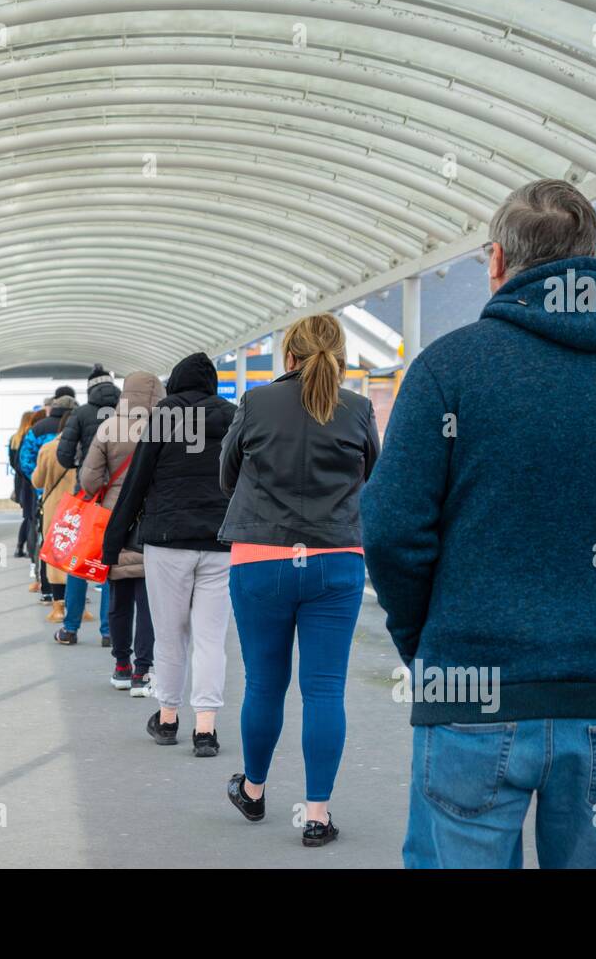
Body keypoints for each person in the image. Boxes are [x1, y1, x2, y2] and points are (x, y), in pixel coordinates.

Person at [361, 179, 596, 868]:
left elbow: (390, 528)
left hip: (470, 693)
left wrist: (429, 639)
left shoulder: (449, 369)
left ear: (498, 261)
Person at [218, 313, 379, 848]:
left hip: (261, 558)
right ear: (340, 355)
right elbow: (372, 477)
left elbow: (227, 473)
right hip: (336, 559)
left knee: (264, 682)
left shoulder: (256, 402)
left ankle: (256, 791)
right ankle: (316, 814)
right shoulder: (357, 409)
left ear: (288, 355)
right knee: (325, 689)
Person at [103, 353, 236, 757]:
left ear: (175, 384)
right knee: (211, 639)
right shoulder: (233, 416)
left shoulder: (163, 417)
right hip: (220, 543)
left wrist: (112, 544)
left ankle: (167, 718)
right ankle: (206, 730)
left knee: (170, 634)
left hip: (167, 541)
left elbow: (136, 482)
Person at [81, 370, 166, 693]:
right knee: (148, 600)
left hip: (114, 522)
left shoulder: (108, 427)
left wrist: (110, 489)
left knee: (119, 597)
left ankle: (121, 664)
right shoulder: (165, 427)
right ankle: (142, 670)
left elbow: (89, 481)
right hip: (152, 521)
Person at [56, 365, 122, 644]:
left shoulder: (81, 413)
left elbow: (64, 456)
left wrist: (81, 465)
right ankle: (109, 632)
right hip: (119, 497)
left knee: (77, 560)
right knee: (111, 564)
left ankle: (70, 629)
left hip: (87, 495)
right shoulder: (127, 412)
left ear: (90, 388)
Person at [18, 392, 76, 601]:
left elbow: (24, 461)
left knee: (48, 543)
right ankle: (74, 594)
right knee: (74, 544)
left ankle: (49, 590)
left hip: (48, 497)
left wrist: (41, 488)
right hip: (76, 500)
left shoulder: (37, 430)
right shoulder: (80, 434)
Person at [32, 413, 79, 630]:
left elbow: (37, 480)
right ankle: (78, 606)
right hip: (78, 507)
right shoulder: (85, 448)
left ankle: (58, 607)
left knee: (55, 555)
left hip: (54, 508)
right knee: (77, 554)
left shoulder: (48, 448)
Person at [8, 409, 45, 558]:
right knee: (31, 517)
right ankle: (29, 552)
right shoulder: (29, 438)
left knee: (27, 516)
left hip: (20, 482)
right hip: (30, 483)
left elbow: (13, 462)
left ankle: (19, 546)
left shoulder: (15, 438)